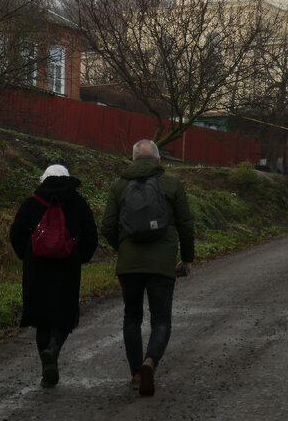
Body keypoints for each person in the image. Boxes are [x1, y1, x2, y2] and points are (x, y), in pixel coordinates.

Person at [100, 139, 195, 397]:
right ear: (158, 160)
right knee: (161, 319)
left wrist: (122, 248)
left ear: (132, 160)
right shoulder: (172, 184)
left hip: (129, 264)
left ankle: (136, 375)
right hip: (162, 264)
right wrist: (186, 258)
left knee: (132, 318)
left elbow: (107, 226)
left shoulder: (119, 185)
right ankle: (150, 361)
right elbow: (186, 224)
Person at [9, 163, 99, 388]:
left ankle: (46, 371)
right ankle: (54, 349)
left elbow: (16, 232)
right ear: (67, 178)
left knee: (42, 319)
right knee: (64, 315)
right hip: (67, 266)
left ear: (44, 179)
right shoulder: (78, 203)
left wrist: (26, 255)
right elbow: (91, 234)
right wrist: (81, 256)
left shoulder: (32, 202)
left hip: (36, 267)